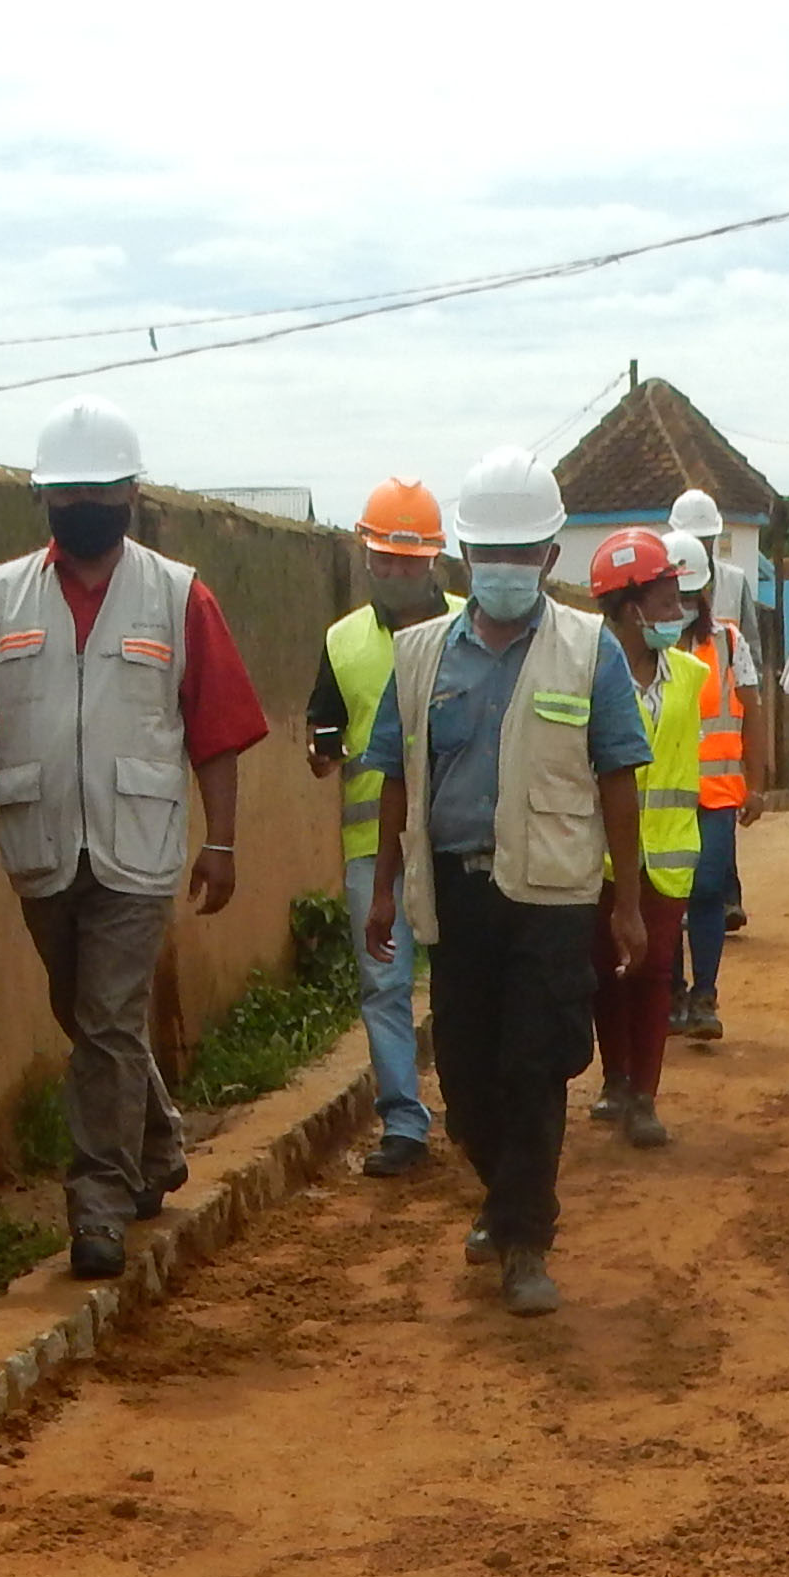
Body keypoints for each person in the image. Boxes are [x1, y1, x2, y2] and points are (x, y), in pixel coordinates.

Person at [0, 397, 272, 1278]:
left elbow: (219, 729)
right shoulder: (4, 595)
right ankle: (157, 1148)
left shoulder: (177, 593)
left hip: (139, 844)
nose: (82, 505)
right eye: (65, 493)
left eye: (99, 490)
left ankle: (97, 1206)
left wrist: (222, 842)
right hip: (42, 842)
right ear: (45, 501)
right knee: (84, 1017)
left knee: (110, 1019)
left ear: (130, 495)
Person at [358, 446, 655, 1317]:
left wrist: (627, 904)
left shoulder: (589, 651)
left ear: (550, 560)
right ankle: (501, 1196)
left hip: (554, 897)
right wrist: (384, 891)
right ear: (463, 557)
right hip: (456, 896)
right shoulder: (418, 659)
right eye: (490, 554)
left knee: (535, 1066)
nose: (505, 571)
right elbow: (397, 778)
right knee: (466, 1077)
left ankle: (525, 1238)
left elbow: (619, 779)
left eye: (522, 554)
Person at [307, 479, 454, 1176]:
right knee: (384, 989)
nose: (396, 571)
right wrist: (321, 748)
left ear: (434, 562)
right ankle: (404, 1123)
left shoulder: (471, 625)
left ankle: (475, 1105)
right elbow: (322, 728)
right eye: (385, 559)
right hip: (374, 848)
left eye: (409, 559)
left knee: (464, 981)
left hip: (459, 840)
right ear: (367, 559)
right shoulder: (342, 643)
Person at [581, 526, 711, 1147]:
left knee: (656, 971)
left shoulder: (690, 676)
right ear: (632, 611)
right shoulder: (586, 673)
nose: (677, 614)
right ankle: (616, 1076)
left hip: (669, 854)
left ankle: (644, 1097)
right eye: (665, 604)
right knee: (609, 971)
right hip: (602, 856)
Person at [665, 514, 754, 1042]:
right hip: (663, 797)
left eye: (691, 594)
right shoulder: (643, 646)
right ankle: (673, 991)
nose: (681, 606)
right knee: (668, 896)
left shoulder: (728, 642)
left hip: (717, 792)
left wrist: (756, 782)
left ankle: (705, 994)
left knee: (705, 890)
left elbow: (753, 705)